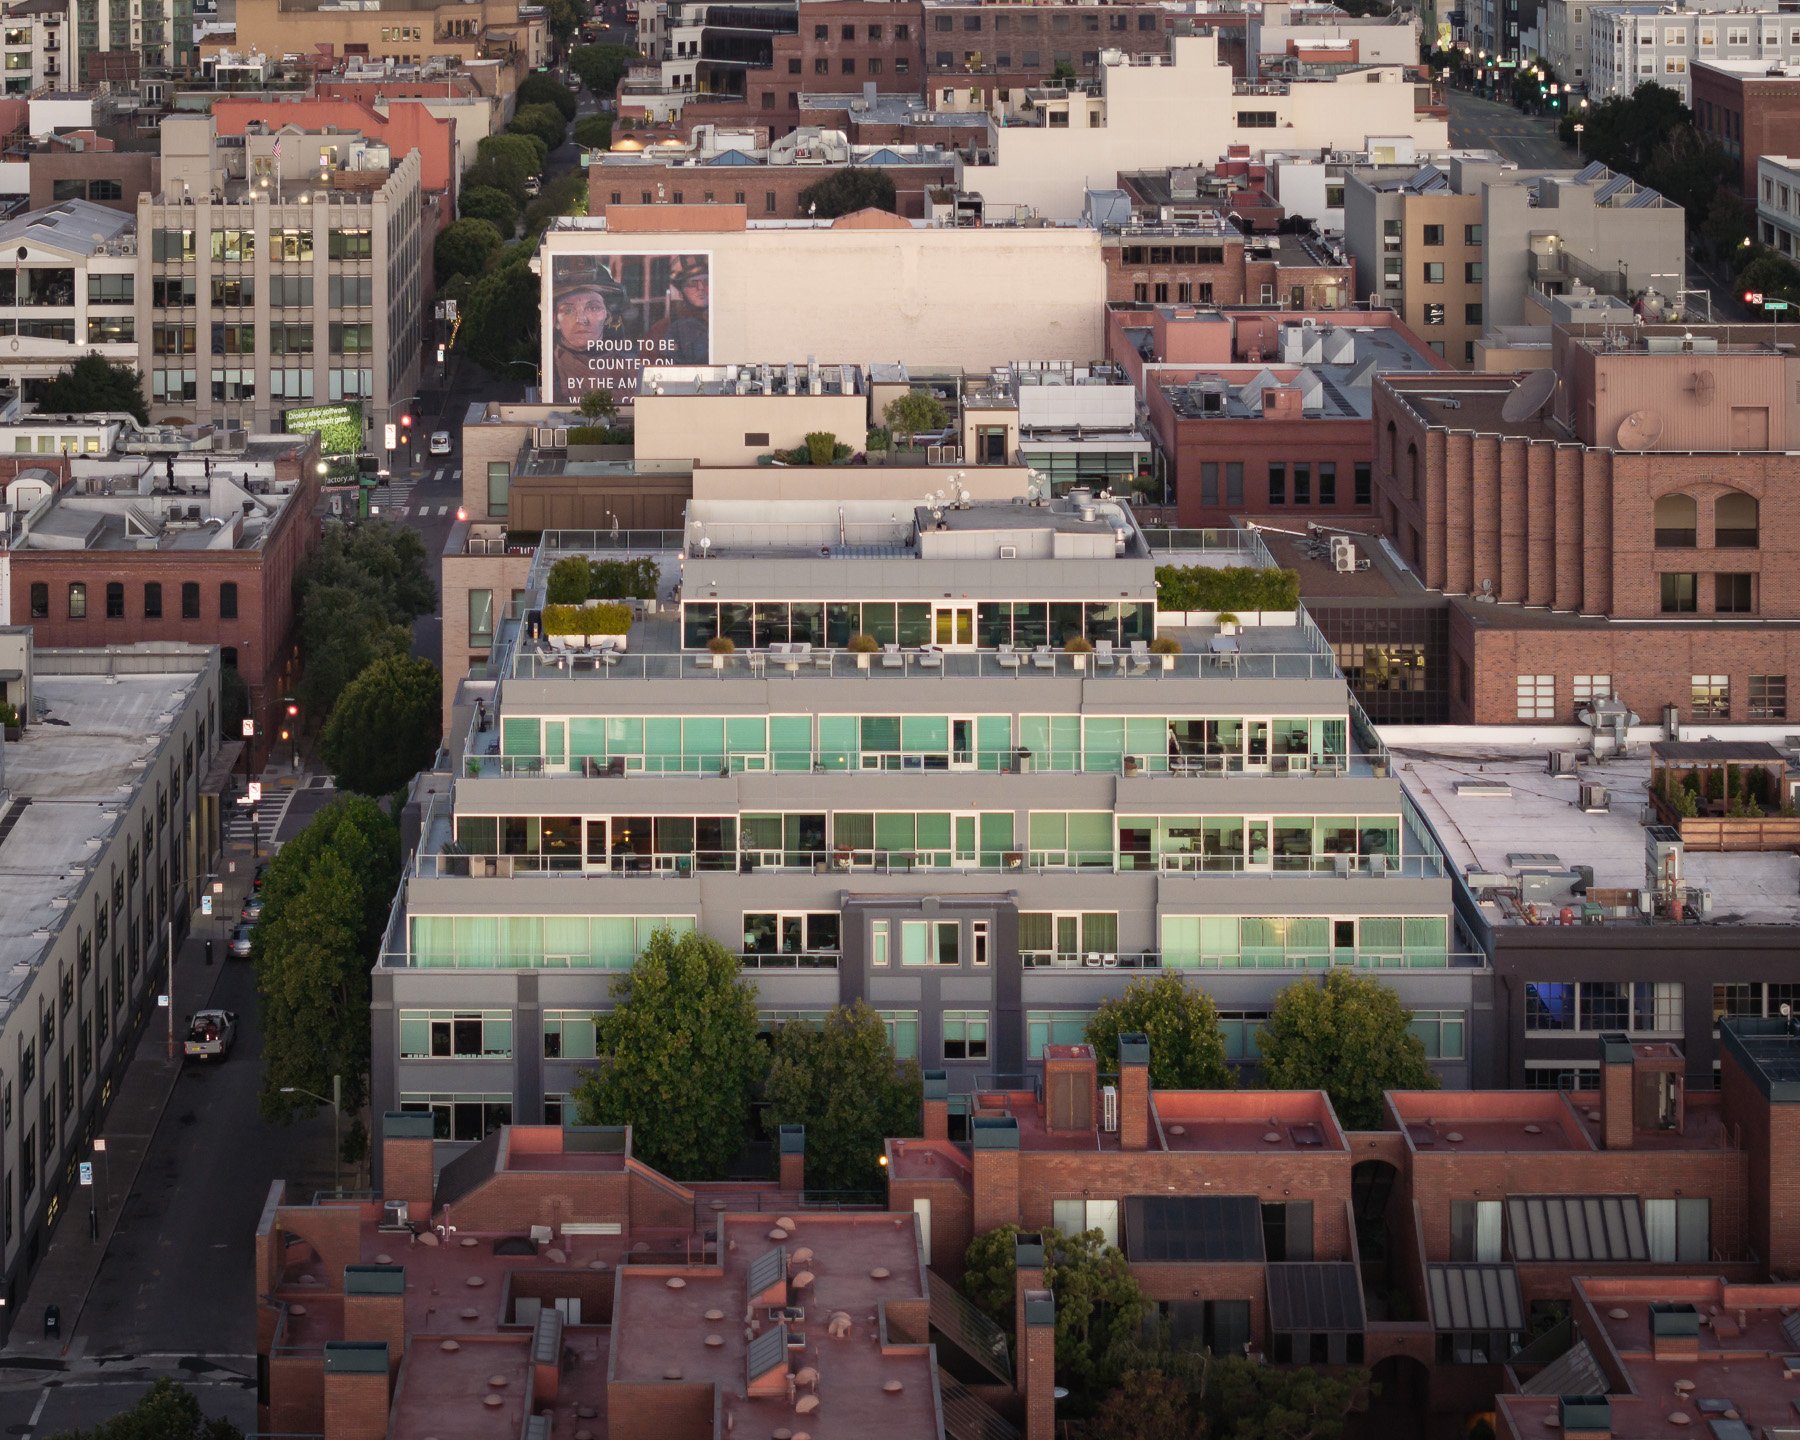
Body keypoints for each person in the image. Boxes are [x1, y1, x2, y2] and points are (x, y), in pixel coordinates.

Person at [551, 258, 634, 403]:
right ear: (555, 321)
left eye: (593, 308)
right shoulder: (550, 371)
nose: (581, 319)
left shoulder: (630, 370)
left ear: (607, 316)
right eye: (568, 310)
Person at [646, 255, 709, 364]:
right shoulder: (661, 330)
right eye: (692, 283)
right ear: (681, 293)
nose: (701, 288)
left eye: (707, 281)